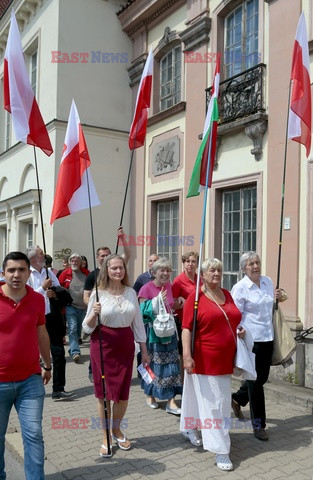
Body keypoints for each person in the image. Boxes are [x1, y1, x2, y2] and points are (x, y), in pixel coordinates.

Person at [180, 258, 244, 472]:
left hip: (226, 359)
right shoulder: (195, 298)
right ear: (204, 275)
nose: (216, 273)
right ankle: (221, 449)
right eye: (211, 270)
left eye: (219, 270)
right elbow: (187, 328)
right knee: (217, 405)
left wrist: (240, 332)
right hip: (205, 359)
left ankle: (189, 426)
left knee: (203, 399)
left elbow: (234, 318)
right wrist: (187, 356)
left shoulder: (226, 294)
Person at [82, 254, 149, 457]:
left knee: (121, 393)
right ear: (106, 271)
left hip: (125, 346)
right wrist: (94, 313)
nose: (118, 271)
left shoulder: (131, 293)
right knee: (103, 394)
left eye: (121, 268)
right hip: (102, 345)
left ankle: (117, 429)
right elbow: (86, 327)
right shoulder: (97, 293)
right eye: (114, 268)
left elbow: (138, 324)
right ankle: (106, 437)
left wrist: (144, 350)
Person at [0, 251, 51, 480]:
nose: (16, 275)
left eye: (21, 270)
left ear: (29, 273)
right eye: (11, 270)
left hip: (30, 380)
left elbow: (41, 333)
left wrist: (48, 365)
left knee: (33, 434)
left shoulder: (38, 299)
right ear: (3, 273)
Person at [231, 252, 286, 441]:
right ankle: (259, 425)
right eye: (251, 264)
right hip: (251, 340)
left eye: (257, 262)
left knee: (261, 378)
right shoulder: (240, 288)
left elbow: (271, 304)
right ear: (244, 268)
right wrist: (238, 331)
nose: (255, 266)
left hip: (268, 337)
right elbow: (235, 315)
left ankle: (238, 398)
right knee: (255, 382)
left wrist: (277, 296)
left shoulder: (268, 282)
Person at [26, 246, 75, 402]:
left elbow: (59, 289)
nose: (44, 255)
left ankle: (59, 389)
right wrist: (42, 288)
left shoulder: (48, 272)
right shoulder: (27, 273)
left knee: (59, 354)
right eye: (41, 254)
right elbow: (26, 296)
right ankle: (32, 390)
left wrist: (54, 293)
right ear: (33, 258)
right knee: (33, 356)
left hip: (52, 318)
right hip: (34, 320)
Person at [138, 257, 182, 414]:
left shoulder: (169, 286)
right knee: (154, 365)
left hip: (169, 332)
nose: (165, 273)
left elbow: (171, 304)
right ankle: (150, 394)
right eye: (162, 270)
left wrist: (178, 301)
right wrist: (156, 301)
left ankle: (171, 400)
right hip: (153, 335)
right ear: (154, 272)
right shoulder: (146, 289)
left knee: (171, 365)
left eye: (168, 270)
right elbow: (142, 313)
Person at [83, 227, 131, 305]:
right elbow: (86, 297)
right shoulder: (92, 275)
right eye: (102, 256)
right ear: (97, 257)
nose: (105, 258)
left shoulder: (117, 266)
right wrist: (94, 306)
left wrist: (122, 238)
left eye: (107, 255)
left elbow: (127, 254)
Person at [59, 253, 90, 362]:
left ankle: (72, 348)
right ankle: (75, 352)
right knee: (72, 328)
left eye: (76, 261)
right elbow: (59, 287)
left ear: (81, 263)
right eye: (72, 261)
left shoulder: (86, 274)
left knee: (77, 331)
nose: (74, 263)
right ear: (69, 262)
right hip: (70, 306)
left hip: (83, 307)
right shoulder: (65, 274)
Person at [172, 251, 201, 366]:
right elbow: (172, 303)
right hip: (184, 322)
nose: (190, 264)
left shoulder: (200, 280)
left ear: (197, 264)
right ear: (183, 263)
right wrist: (180, 300)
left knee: (197, 352)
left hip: (199, 321)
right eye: (187, 261)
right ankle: (184, 381)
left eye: (193, 261)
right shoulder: (179, 281)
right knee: (185, 353)